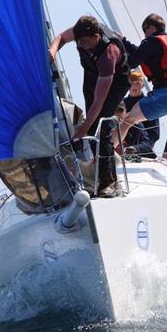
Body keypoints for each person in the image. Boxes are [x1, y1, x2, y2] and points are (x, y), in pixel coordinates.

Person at [49, 15, 133, 197]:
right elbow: (61, 38)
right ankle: (96, 172)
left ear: (96, 36)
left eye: (85, 42)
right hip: (92, 75)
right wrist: (53, 51)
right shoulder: (82, 32)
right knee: (93, 124)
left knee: (100, 126)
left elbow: (99, 102)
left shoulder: (108, 53)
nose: (81, 45)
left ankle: (108, 183)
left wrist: (84, 128)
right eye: (78, 42)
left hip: (114, 82)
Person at [117, 13, 167, 182]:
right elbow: (143, 53)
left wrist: (121, 46)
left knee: (128, 120)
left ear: (150, 28)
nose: (144, 36)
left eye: (145, 32)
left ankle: (106, 156)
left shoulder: (151, 41)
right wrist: (125, 40)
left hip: (164, 94)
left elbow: (134, 60)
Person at [123, 70, 160, 146]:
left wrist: (142, 148)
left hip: (141, 147)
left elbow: (154, 133)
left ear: (142, 85)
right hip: (121, 145)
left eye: (137, 83)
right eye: (131, 83)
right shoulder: (122, 104)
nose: (134, 86)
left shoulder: (150, 104)